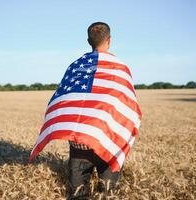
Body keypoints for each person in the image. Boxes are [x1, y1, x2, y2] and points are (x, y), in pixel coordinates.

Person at [68, 22, 123, 200]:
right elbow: (126, 106)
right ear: (110, 40)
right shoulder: (120, 68)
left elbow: (66, 101)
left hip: (79, 145)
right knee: (108, 195)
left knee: (77, 196)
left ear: (88, 41)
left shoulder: (75, 67)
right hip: (109, 143)